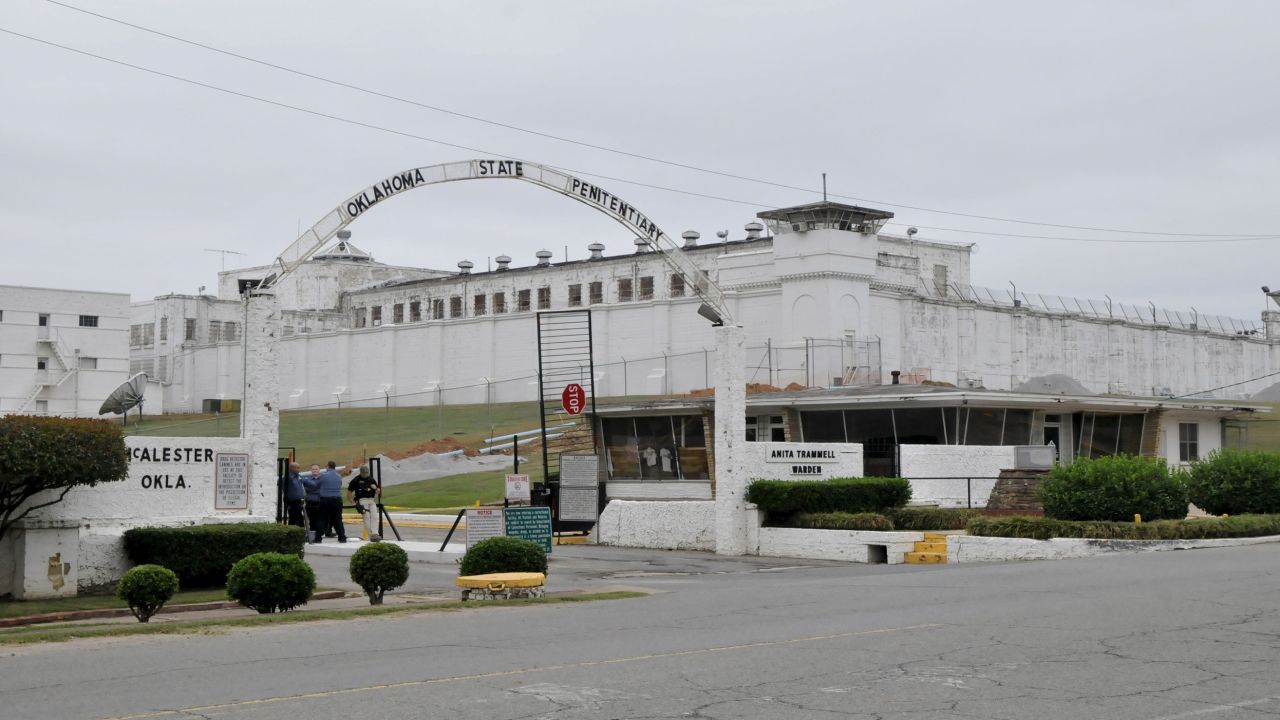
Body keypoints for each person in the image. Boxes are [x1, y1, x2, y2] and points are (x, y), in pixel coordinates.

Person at [347, 465, 381, 541]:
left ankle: (375, 533)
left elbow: (378, 491)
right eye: (364, 473)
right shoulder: (355, 480)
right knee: (367, 517)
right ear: (361, 472)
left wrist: (377, 490)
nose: (366, 474)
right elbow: (349, 493)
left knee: (374, 517)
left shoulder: (371, 479)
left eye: (367, 473)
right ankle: (371, 536)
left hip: (371, 500)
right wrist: (353, 503)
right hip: (362, 500)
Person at [316, 460, 346, 543]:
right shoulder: (339, 476)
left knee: (322, 519)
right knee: (338, 519)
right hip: (337, 500)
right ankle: (342, 537)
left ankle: (318, 538)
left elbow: (317, 485)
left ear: (328, 466)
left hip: (325, 499)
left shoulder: (323, 476)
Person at [279, 462, 306, 528]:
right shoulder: (288, 478)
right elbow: (280, 481)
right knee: (294, 519)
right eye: (297, 468)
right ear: (292, 468)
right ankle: (293, 534)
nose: (299, 469)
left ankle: (299, 532)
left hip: (299, 502)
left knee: (298, 519)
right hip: (292, 502)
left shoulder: (298, 477)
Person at [303, 464, 323, 543]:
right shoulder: (307, 479)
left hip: (319, 503)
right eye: (313, 469)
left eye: (316, 469)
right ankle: (312, 536)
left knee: (319, 520)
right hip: (310, 503)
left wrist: (311, 489)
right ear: (311, 470)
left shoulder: (323, 479)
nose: (314, 470)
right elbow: (303, 488)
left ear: (319, 470)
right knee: (311, 521)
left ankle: (318, 537)